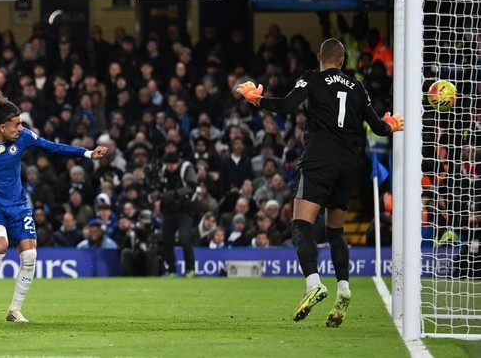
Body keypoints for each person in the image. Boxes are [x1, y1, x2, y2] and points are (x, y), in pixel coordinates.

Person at [236, 38, 404, 327]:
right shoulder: (358, 87)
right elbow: (378, 127)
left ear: (319, 58)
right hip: (347, 167)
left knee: (301, 225)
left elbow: (288, 105)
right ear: (342, 61)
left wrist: (256, 99)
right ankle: (343, 287)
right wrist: (392, 124)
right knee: (335, 230)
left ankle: (313, 284)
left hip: (318, 161)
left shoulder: (312, 79)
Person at [0, 91, 107, 323]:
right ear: (1, 127)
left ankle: (14, 309)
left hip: (18, 206)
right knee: (0, 246)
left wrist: (88, 153)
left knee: (30, 254)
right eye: (16, 124)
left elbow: (54, 147)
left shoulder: (23, 138)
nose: (20, 128)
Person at [156, 151, 198, 277]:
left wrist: (173, 194)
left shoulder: (186, 168)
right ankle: (171, 270)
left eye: (172, 165)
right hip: (169, 209)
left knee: (185, 239)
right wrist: (157, 195)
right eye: (168, 165)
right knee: (166, 240)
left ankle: (190, 269)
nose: (170, 168)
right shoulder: (164, 171)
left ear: (177, 163)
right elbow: (160, 187)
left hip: (185, 209)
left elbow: (192, 187)